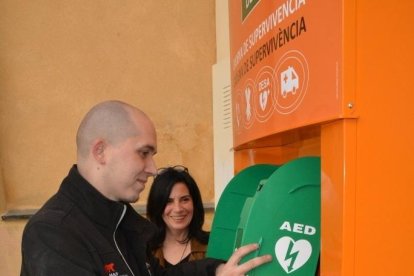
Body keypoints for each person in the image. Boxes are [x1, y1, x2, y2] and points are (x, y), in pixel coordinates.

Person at [20, 100, 271, 276]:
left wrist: (216, 271)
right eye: (143, 153)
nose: (152, 168)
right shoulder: (52, 233)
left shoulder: (121, 224)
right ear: (101, 151)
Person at [147, 166, 209, 267]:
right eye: (168, 201)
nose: (178, 209)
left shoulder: (212, 246)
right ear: (157, 206)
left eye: (185, 199)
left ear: (195, 203)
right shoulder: (145, 251)